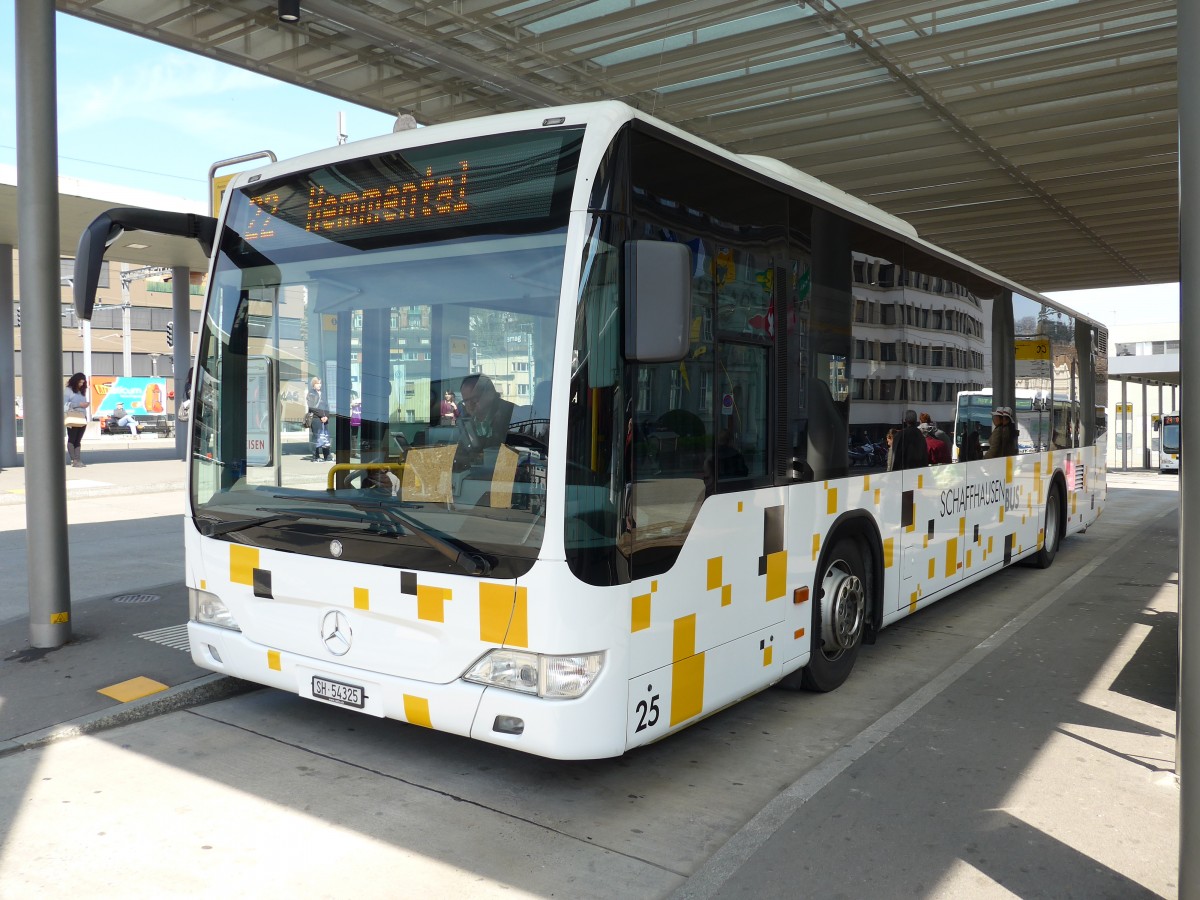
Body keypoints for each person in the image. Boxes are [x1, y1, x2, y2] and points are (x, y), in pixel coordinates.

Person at [458, 373, 514, 451]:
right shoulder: (465, 423)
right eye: (466, 401)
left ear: (490, 394)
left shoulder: (512, 416)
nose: (470, 405)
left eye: (474, 399)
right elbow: (459, 455)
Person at [63, 372, 90, 468]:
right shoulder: (68, 390)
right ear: (75, 381)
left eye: (83, 383)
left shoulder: (82, 391)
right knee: (72, 438)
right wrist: (79, 404)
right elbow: (64, 404)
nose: (81, 384)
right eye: (79, 382)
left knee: (78, 440)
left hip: (82, 417)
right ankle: (74, 460)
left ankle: (78, 459)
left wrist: (85, 405)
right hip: (73, 416)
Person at [306, 376, 330, 462]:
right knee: (316, 437)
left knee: (325, 437)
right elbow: (312, 408)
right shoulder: (311, 393)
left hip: (324, 418)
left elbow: (327, 405)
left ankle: (327, 456)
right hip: (316, 418)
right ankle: (315, 456)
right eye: (317, 383)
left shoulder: (323, 393)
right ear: (313, 384)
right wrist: (321, 416)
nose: (319, 385)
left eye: (320, 383)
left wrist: (326, 416)